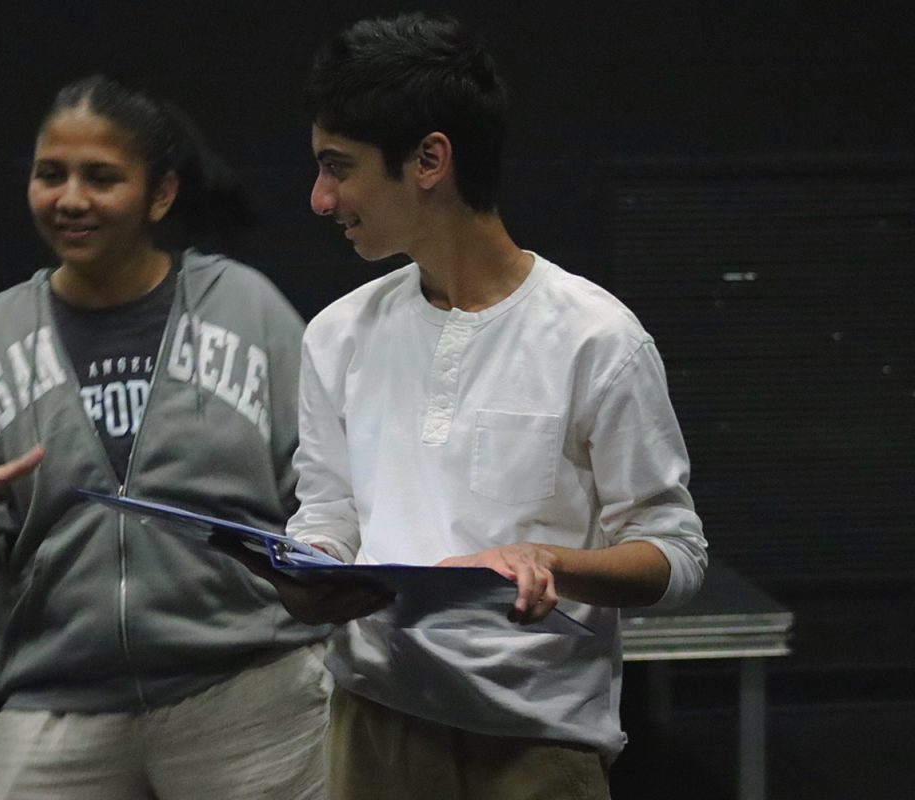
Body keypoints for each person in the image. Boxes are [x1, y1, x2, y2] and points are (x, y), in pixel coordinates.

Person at [243, 13, 709, 799]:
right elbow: (326, 516)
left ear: (430, 159)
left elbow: (676, 555)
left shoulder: (596, 338)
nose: (320, 199)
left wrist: (551, 563)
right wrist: (307, 573)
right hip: (372, 725)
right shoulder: (338, 335)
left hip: (535, 746)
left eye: (338, 167)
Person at [0, 74, 330, 800]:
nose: (70, 198)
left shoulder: (246, 308)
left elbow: (326, 491)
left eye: (100, 177)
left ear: (159, 195)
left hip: (248, 694)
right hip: (60, 704)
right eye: (51, 175)